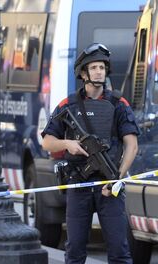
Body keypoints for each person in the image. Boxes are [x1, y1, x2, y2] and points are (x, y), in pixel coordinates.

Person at [41, 43, 139, 264]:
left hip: (109, 186)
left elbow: (132, 145)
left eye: (102, 67)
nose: (99, 72)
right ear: (83, 73)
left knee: (119, 251)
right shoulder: (68, 104)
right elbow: (47, 142)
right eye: (94, 67)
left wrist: (117, 176)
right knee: (74, 251)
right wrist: (68, 144)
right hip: (79, 185)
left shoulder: (118, 104)